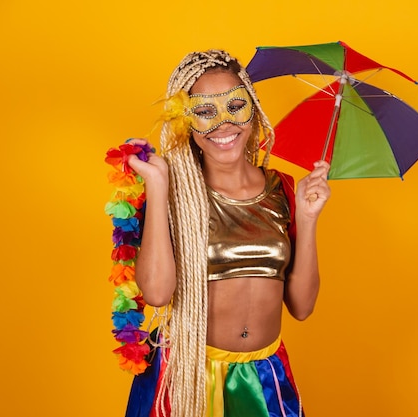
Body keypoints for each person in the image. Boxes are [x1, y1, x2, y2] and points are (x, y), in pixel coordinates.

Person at [123, 49, 330, 417]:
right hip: (189, 376)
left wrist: (309, 217)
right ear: (184, 120)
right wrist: (157, 186)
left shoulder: (282, 188)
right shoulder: (177, 193)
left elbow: (302, 307)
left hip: (265, 376)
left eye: (235, 107)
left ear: (253, 111)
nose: (224, 125)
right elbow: (156, 294)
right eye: (205, 112)